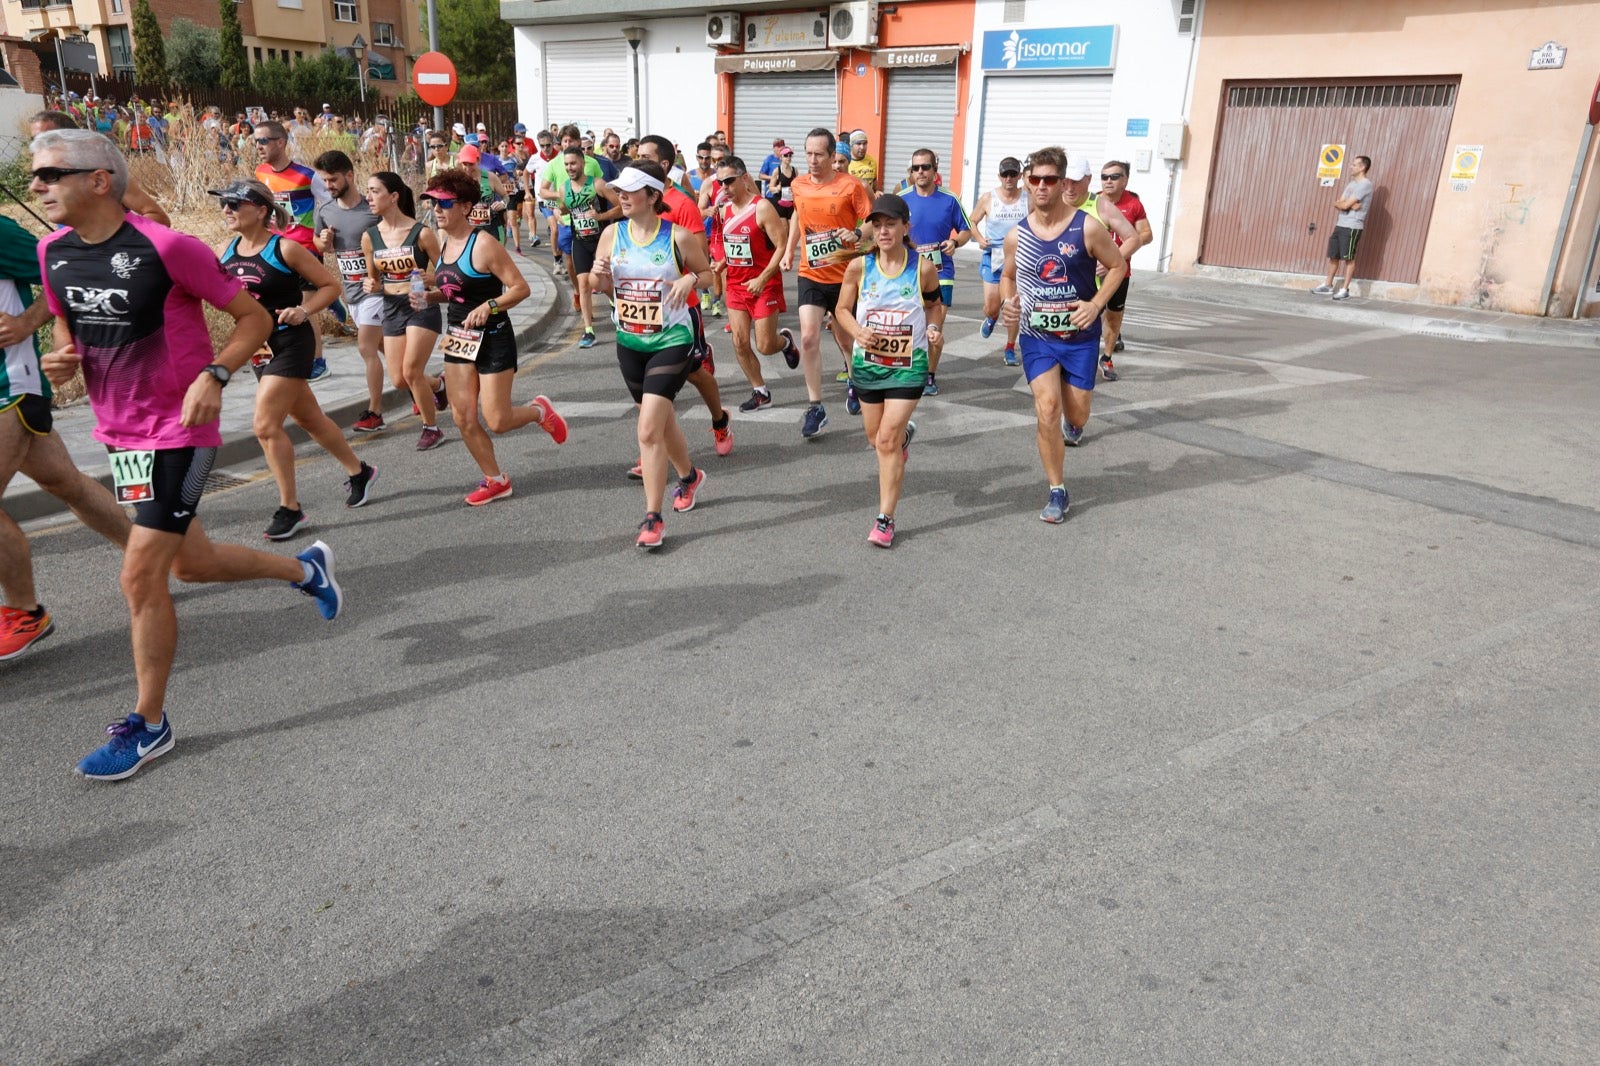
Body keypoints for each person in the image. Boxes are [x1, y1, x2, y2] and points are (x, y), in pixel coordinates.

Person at [32, 129, 345, 780]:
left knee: (140, 576)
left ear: (98, 181)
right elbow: (70, 336)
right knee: (193, 566)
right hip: (119, 436)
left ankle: (149, 724)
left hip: (179, 428)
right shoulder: (52, 253)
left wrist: (217, 374)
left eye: (51, 174)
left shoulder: (168, 248)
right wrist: (63, 363)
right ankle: (305, 571)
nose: (37, 186)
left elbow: (253, 319)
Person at [0, 214, 132, 661]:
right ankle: (147, 557)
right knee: (65, 483)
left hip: (9, 387)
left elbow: (64, 274)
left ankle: (25, 613)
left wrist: (25, 324)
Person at [214, 180, 376, 539]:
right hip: (260, 348)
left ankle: (291, 508)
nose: (226, 209)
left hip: (291, 342)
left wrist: (304, 310)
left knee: (265, 425)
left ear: (260, 210)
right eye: (223, 204)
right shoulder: (228, 252)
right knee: (310, 418)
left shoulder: (284, 248)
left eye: (234, 204)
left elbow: (330, 287)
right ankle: (358, 471)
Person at [417, 168, 569, 506]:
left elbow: (521, 289)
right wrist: (431, 296)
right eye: (433, 203)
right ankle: (496, 479)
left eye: (444, 203)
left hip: (494, 335)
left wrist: (490, 305)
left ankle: (538, 411)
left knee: (497, 420)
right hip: (458, 335)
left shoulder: (484, 243)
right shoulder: (442, 241)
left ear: (465, 206)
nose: (437, 210)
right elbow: (455, 292)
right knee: (462, 417)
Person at [589, 162, 715, 549]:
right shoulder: (612, 234)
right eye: (619, 191)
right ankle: (690, 476)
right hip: (630, 340)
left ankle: (652, 518)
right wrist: (600, 275)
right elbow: (600, 286)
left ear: (653, 196)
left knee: (647, 429)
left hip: (671, 339)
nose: (621, 197)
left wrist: (690, 279)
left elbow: (710, 276)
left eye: (630, 191)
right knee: (659, 422)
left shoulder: (676, 237)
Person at [999, 147, 1126, 523]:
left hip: (1080, 337)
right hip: (1037, 336)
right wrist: (1009, 303)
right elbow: (1007, 276)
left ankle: (1076, 424)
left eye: (1049, 180)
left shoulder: (1086, 227)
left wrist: (1096, 305)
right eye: (1034, 179)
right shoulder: (1016, 236)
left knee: (1078, 414)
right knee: (1047, 409)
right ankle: (1057, 489)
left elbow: (1117, 266)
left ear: (1062, 183)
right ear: (1025, 181)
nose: (1041, 186)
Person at [833, 193, 939, 548]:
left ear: (905, 227)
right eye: (877, 225)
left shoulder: (922, 267)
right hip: (869, 365)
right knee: (875, 438)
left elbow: (936, 305)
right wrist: (858, 331)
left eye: (890, 224)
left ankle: (885, 518)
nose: (883, 231)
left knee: (886, 440)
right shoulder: (859, 267)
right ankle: (903, 438)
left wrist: (936, 326)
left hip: (908, 366)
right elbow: (842, 310)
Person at [635, 134, 732, 461]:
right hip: (644, 312)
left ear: (663, 165)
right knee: (651, 383)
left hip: (680, 312)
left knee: (694, 374)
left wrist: (684, 279)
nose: (636, 163)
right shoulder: (633, 203)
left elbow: (702, 259)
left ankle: (720, 418)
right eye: (636, 157)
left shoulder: (683, 205)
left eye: (644, 158)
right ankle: (650, 448)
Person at [781, 128, 875, 438]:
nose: (812, 160)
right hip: (811, 272)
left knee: (847, 340)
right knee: (808, 337)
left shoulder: (851, 186)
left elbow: (873, 218)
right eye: (808, 153)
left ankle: (854, 379)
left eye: (819, 154)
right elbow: (798, 215)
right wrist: (789, 250)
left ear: (833, 155)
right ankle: (816, 407)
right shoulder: (798, 184)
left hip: (845, 276)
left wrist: (858, 234)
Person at [360, 171, 449, 451]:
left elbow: (448, 273)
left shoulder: (421, 233)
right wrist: (370, 283)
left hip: (421, 306)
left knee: (411, 371)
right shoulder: (370, 237)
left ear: (394, 196)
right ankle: (437, 385)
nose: (369, 197)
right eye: (368, 191)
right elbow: (374, 280)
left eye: (375, 191)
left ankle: (431, 427)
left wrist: (430, 279)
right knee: (399, 380)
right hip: (392, 307)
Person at [714, 156, 800, 412]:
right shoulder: (723, 209)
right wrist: (722, 263)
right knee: (740, 342)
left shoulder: (761, 207)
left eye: (729, 181)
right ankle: (760, 391)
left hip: (764, 284)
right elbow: (733, 245)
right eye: (720, 183)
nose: (724, 188)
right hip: (736, 286)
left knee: (764, 345)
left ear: (743, 178)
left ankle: (784, 342)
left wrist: (762, 279)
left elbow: (782, 245)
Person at [314, 150, 388, 432]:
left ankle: (375, 412)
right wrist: (324, 242)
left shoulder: (372, 208)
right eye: (324, 181)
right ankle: (431, 386)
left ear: (349, 176)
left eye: (333, 179)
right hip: (352, 292)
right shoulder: (325, 210)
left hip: (377, 289)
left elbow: (397, 232)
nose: (329, 186)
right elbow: (321, 245)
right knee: (387, 352)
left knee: (365, 347)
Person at [254, 120, 333, 382]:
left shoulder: (306, 175)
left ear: (280, 142)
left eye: (263, 141)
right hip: (276, 250)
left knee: (307, 306)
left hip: (306, 249)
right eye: (256, 141)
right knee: (282, 304)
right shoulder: (261, 173)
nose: (258, 146)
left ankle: (318, 361)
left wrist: (324, 232)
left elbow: (330, 203)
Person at [1060, 158, 1137, 388]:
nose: (1070, 188)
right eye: (1065, 182)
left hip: (1092, 289)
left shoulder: (1100, 206)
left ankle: (1106, 358)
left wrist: (1113, 260)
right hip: (1058, 287)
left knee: (1105, 325)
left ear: (1088, 180)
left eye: (1076, 182)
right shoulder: (1054, 201)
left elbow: (1135, 237)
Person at [902, 149, 971, 398]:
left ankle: (929, 375)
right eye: (916, 168)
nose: (920, 172)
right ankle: (908, 370)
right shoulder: (901, 199)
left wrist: (956, 243)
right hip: (909, 272)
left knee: (933, 328)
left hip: (942, 271)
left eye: (925, 167)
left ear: (934, 170)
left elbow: (966, 230)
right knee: (909, 326)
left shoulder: (949, 199)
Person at [27, 111, 170, 226]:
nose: (39, 145)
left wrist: (116, 243)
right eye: (34, 140)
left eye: (48, 138)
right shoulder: (43, 181)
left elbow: (158, 218)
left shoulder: (102, 172)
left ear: (71, 135)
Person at [557, 146, 621, 349]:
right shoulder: (563, 188)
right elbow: (564, 207)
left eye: (573, 163)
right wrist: (561, 211)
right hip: (580, 241)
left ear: (583, 163)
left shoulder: (598, 184)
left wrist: (601, 216)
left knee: (603, 282)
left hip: (601, 240)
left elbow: (621, 207)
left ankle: (614, 303)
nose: (570, 168)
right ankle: (588, 331)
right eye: (566, 164)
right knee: (583, 283)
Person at [1093, 160, 1151, 379]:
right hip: (1092, 272)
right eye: (1104, 177)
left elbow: (1146, 234)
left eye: (1114, 177)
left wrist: (1117, 255)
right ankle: (1085, 356)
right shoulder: (1093, 201)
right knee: (1090, 315)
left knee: (1114, 317)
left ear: (1125, 180)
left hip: (1119, 272)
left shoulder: (1133, 204)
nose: (1108, 181)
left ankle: (1106, 358)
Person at [969, 156, 1028, 367]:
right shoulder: (988, 198)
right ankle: (992, 318)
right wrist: (978, 238)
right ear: (999, 176)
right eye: (1005, 174)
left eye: (1013, 174)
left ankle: (1010, 347)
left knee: (1012, 305)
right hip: (993, 256)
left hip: (1018, 258)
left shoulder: (1027, 198)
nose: (1009, 178)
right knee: (992, 305)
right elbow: (972, 221)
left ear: (1020, 176)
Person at [1312, 154, 1373, 301]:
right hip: (1340, 224)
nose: (1351, 166)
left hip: (1352, 226)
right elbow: (1338, 202)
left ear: (1362, 167)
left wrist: (1346, 204)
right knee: (1334, 256)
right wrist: (1350, 205)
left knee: (1349, 258)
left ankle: (1345, 289)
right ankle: (1328, 285)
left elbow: (1343, 205)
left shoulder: (1365, 184)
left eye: (1354, 164)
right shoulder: (1351, 185)